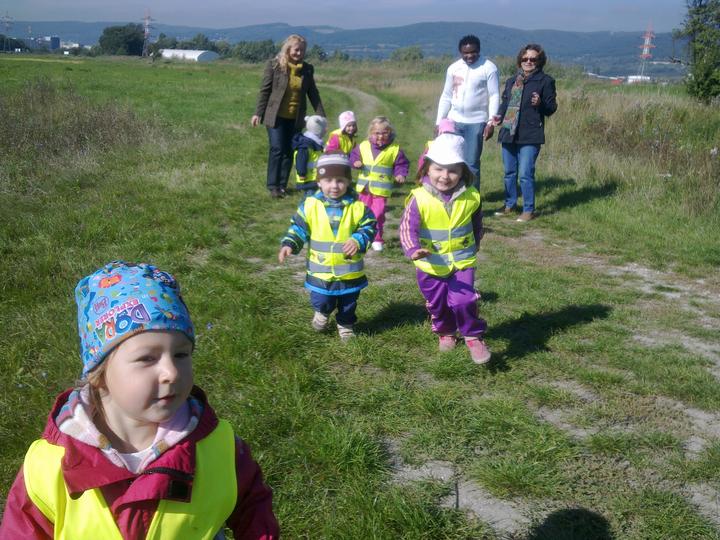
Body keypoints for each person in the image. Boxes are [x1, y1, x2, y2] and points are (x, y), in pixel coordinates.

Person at [0, 261, 279, 539]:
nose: (171, 372)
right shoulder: (49, 466)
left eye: (181, 354)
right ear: (99, 374)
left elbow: (253, 507)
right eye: (147, 358)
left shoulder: (219, 448)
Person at [399, 134, 491, 365]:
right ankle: (446, 332)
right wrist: (413, 249)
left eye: (452, 170)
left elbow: (476, 223)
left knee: (464, 300)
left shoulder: (472, 196)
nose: (445, 176)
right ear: (427, 168)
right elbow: (407, 228)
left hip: (462, 261)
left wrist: (476, 242)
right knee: (438, 304)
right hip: (430, 264)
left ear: (462, 172)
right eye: (438, 169)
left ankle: (473, 336)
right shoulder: (418, 198)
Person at [279, 152, 377, 340]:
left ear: (348, 181)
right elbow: (298, 227)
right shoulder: (310, 206)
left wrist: (358, 239)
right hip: (320, 270)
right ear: (319, 182)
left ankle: (345, 325)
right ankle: (322, 313)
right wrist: (290, 243)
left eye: (340, 180)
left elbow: (370, 227)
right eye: (328, 180)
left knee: (349, 303)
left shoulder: (358, 207)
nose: (334, 186)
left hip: (349, 271)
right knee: (322, 300)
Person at [252, 34, 326, 199]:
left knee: (289, 151)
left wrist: (322, 116)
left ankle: (282, 186)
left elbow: (313, 93)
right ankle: (273, 186)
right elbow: (265, 91)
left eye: (302, 50)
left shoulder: (307, 69)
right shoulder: (274, 65)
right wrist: (258, 113)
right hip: (275, 116)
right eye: (296, 50)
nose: (299, 53)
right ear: (288, 49)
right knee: (277, 148)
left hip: (295, 118)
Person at [493, 43, 558, 222]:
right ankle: (510, 204)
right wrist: (498, 117)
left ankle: (529, 210)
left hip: (530, 133)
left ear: (539, 61)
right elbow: (505, 104)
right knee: (509, 172)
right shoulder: (512, 81)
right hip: (508, 132)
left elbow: (551, 108)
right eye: (525, 58)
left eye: (533, 59)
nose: (528, 62)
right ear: (520, 60)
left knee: (525, 174)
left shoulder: (546, 81)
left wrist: (540, 104)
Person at [436, 34, 500, 189]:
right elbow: (446, 95)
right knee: (452, 160)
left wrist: (491, 123)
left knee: (471, 163)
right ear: (460, 52)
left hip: (476, 122)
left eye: (473, 52)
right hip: (453, 121)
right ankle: (453, 193)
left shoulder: (488, 67)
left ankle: (472, 198)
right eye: (466, 53)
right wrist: (439, 122)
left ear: (479, 50)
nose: (469, 56)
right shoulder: (453, 68)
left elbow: (494, 95)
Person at [349, 116, 409, 252]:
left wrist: (400, 174)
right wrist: (355, 162)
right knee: (361, 213)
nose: (380, 136)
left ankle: (376, 238)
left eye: (384, 133)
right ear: (371, 133)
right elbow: (353, 156)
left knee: (378, 214)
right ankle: (360, 236)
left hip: (381, 190)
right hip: (364, 188)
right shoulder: (363, 146)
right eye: (377, 133)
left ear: (390, 133)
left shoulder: (394, 149)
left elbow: (401, 164)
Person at [292, 114, 328, 198]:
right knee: (309, 198)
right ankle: (303, 207)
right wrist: (302, 173)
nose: (325, 131)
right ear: (318, 129)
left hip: (314, 178)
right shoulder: (305, 145)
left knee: (316, 197)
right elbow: (301, 160)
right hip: (307, 179)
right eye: (324, 129)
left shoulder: (314, 142)